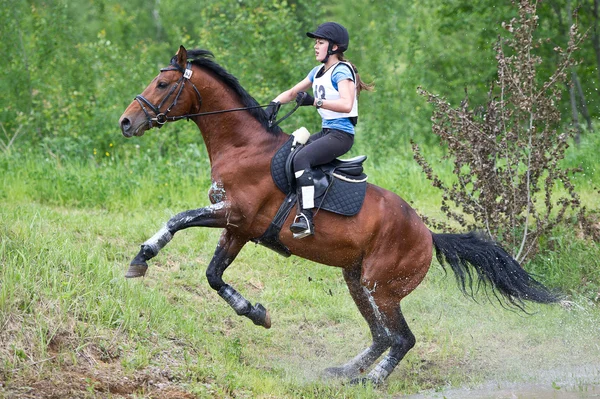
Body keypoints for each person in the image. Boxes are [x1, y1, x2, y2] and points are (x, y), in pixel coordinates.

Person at [265, 22, 372, 239]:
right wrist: (274, 103)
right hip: (327, 132)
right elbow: (294, 92)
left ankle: (305, 218)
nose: (315, 46)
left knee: (301, 158)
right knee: (290, 152)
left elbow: (346, 103)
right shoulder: (317, 71)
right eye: (316, 42)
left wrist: (315, 102)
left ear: (333, 47)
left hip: (341, 136)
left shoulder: (342, 71)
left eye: (320, 42)